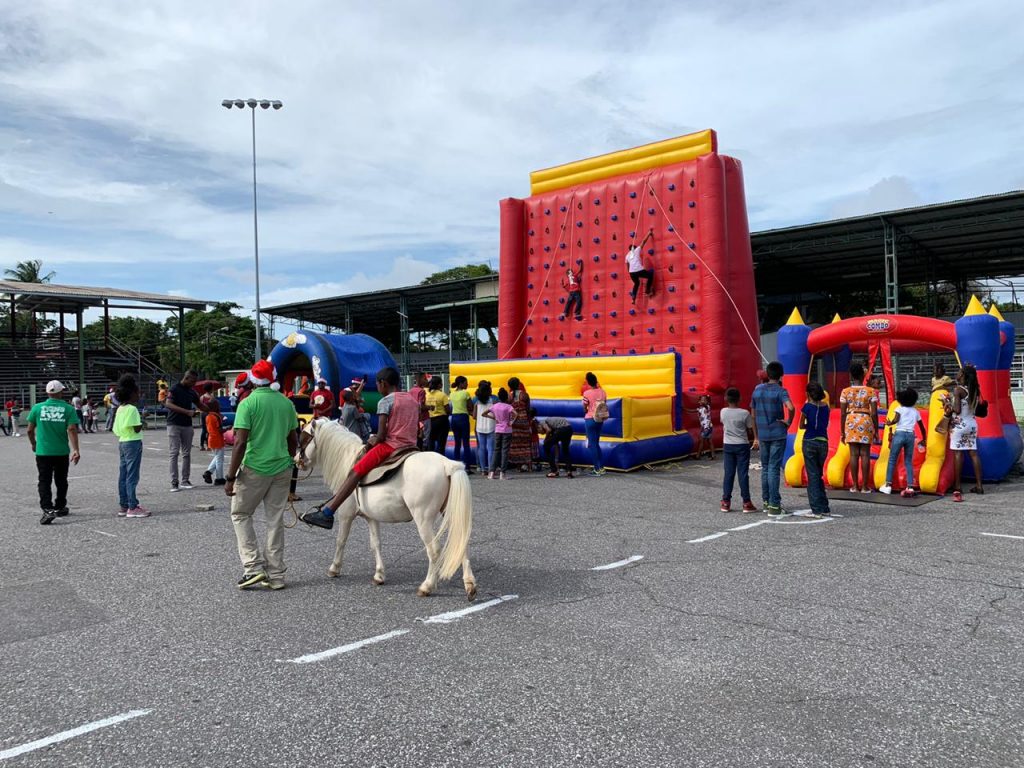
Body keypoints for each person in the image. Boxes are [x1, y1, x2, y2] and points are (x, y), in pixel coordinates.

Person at [301, 366, 418, 530]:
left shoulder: (385, 401)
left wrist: (372, 440)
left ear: (383, 384)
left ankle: (328, 512)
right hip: (412, 446)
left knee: (356, 471)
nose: (377, 388)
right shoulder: (412, 399)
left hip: (391, 446)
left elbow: (382, 435)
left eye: (378, 385)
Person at [224, 360, 299, 590]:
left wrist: (230, 477)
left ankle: (253, 568)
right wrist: (288, 461)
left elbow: (239, 442)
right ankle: (276, 575)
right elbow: (293, 440)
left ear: (253, 380)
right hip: (281, 468)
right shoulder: (286, 403)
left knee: (240, 514)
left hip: (255, 469)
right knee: (274, 520)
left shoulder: (248, 404)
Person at [26, 380, 80, 525]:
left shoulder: (37, 408)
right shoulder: (68, 409)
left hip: (43, 451)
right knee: (61, 480)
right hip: (61, 451)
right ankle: (60, 506)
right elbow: (72, 429)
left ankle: (48, 509)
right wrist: (76, 449)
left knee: (44, 480)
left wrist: (33, 444)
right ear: (61, 392)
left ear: (47, 392)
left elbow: (29, 430)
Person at [751, 361, 794, 516]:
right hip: (777, 433)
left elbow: (753, 415)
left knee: (765, 468)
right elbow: (791, 407)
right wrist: (788, 422)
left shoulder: (757, 390)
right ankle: (775, 505)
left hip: (762, 433)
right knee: (774, 469)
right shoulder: (781, 391)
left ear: (767, 374)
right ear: (781, 374)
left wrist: (755, 435)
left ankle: (766, 501)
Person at [880, 388, 928, 496]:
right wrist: (924, 438)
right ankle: (910, 486)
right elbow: (922, 427)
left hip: (900, 434)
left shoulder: (899, 408)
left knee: (892, 458)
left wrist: (890, 423)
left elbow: (896, 420)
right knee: (908, 461)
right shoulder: (915, 411)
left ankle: (888, 485)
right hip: (910, 435)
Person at [839, 362, 878, 494]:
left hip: (851, 420)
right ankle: (865, 486)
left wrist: (842, 432)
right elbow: (874, 412)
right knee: (865, 454)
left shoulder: (845, 391)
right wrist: (876, 429)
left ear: (851, 375)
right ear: (863, 375)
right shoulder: (871, 391)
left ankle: (855, 486)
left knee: (854, 454)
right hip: (865, 420)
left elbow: (843, 412)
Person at [112, 374, 148, 518]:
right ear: (132, 394)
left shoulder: (120, 408)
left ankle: (124, 505)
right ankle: (133, 506)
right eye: (137, 393)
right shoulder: (132, 409)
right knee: (132, 475)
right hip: (133, 442)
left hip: (122, 441)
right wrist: (143, 419)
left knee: (124, 474)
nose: (138, 396)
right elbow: (136, 428)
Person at [164, 370, 205, 492]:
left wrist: (212, 408)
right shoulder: (175, 389)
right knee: (174, 453)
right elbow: (168, 404)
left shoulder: (192, 392)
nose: (194, 384)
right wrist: (187, 412)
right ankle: (174, 482)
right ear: (186, 378)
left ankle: (185, 480)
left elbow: (200, 405)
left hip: (187, 425)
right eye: (192, 381)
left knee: (186, 454)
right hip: (174, 424)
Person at [949, 364, 984, 501]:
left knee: (958, 453)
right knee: (973, 454)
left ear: (963, 375)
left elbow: (957, 410)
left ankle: (957, 486)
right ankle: (979, 485)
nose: (957, 374)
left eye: (959, 372)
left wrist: (948, 404)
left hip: (959, 425)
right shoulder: (975, 389)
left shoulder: (958, 390)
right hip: (972, 424)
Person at [720, 387, 756, 513]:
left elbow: (723, 423)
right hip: (742, 444)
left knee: (729, 473)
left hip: (728, 444)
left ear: (726, 399)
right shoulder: (744, 413)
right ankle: (746, 502)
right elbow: (750, 427)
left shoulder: (723, 412)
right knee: (743, 474)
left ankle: (725, 501)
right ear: (739, 399)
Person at [800, 382, 832, 519]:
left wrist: (809, 425)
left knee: (812, 476)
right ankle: (824, 506)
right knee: (818, 475)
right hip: (823, 442)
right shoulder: (826, 407)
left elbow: (801, 425)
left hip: (810, 441)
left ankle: (816, 509)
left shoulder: (807, 407)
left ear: (808, 394)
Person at [482, 388, 516, 479]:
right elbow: (516, 414)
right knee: (505, 451)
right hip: (507, 430)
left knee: (496, 450)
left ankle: (491, 472)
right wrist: (511, 422)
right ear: (506, 397)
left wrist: (493, 418)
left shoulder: (495, 406)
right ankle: (502, 473)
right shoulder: (509, 407)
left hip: (498, 430)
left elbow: (483, 414)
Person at [582, 372, 607, 476]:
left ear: (588, 382)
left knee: (592, 444)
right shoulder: (603, 391)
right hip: (600, 419)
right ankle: (601, 467)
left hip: (590, 419)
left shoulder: (587, 393)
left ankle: (596, 469)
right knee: (596, 443)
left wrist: (586, 411)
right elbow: (604, 403)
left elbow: (584, 406)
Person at [508, 377, 534, 472]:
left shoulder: (509, 396)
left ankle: (518, 467)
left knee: (516, 445)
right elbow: (528, 410)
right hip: (523, 421)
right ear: (519, 384)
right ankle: (529, 466)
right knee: (526, 444)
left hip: (514, 422)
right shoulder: (524, 395)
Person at [449, 375, 474, 471]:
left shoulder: (452, 394)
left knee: (457, 443)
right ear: (461, 383)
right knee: (466, 443)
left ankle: (457, 466)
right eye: (465, 382)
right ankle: (467, 467)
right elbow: (470, 406)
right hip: (463, 418)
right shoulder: (465, 393)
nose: (467, 384)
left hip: (454, 418)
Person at [472, 380, 496, 476]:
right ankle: (491, 469)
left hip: (479, 427)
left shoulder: (477, 402)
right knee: (490, 448)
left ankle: (482, 469)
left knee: (481, 448)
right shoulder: (493, 401)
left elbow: (474, 416)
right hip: (491, 426)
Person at [626, 228, 655, 304]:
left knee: (636, 283)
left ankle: (633, 298)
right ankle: (647, 290)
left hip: (631, 273)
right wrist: (649, 233)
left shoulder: (627, 256)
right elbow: (643, 242)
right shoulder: (636, 250)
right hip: (638, 270)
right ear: (634, 248)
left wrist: (629, 272)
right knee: (650, 275)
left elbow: (627, 265)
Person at [202, 399, 226, 486]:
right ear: (215, 407)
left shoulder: (208, 416)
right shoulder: (216, 417)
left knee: (217, 457)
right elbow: (220, 429)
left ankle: (208, 472)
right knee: (219, 459)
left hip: (211, 438)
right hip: (217, 439)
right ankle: (219, 478)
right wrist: (227, 428)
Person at [425, 376, 451, 454]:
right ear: (439, 385)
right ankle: (441, 459)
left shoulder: (427, 394)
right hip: (441, 420)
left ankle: (431, 460)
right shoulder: (442, 395)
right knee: (441, 443)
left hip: (430, 420)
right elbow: (447, 409)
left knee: (431, 441)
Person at [409, 371, 430, 449]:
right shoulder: (421, 391)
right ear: (420, 379)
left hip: (414, 419)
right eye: (425, 379)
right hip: (423, 418)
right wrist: (430, 407)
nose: (426, 381)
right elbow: (420, 406)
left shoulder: (411, 390)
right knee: (425, 439)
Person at [696, 394, 715, 460]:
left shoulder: (707, 407)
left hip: (707, 428)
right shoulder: (700, 409)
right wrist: (684, 408)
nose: (703, 401)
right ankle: (713, 455)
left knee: (702, 441)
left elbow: (705, 405)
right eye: (701, 400)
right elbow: (692, 411)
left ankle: (698, 456)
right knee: (709, 441)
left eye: (704, 400)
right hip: (707, 427)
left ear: (707, 402)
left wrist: (703, 402)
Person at [199, 383, 215, 450]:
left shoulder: (202, 397)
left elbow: (200, 406)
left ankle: (201, 445)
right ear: (211, 389)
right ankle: (208, 445)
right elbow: (214, 407)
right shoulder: (212, 397)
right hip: (209, 414)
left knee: (204, 430)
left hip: (203, 414)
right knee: (209, 430)